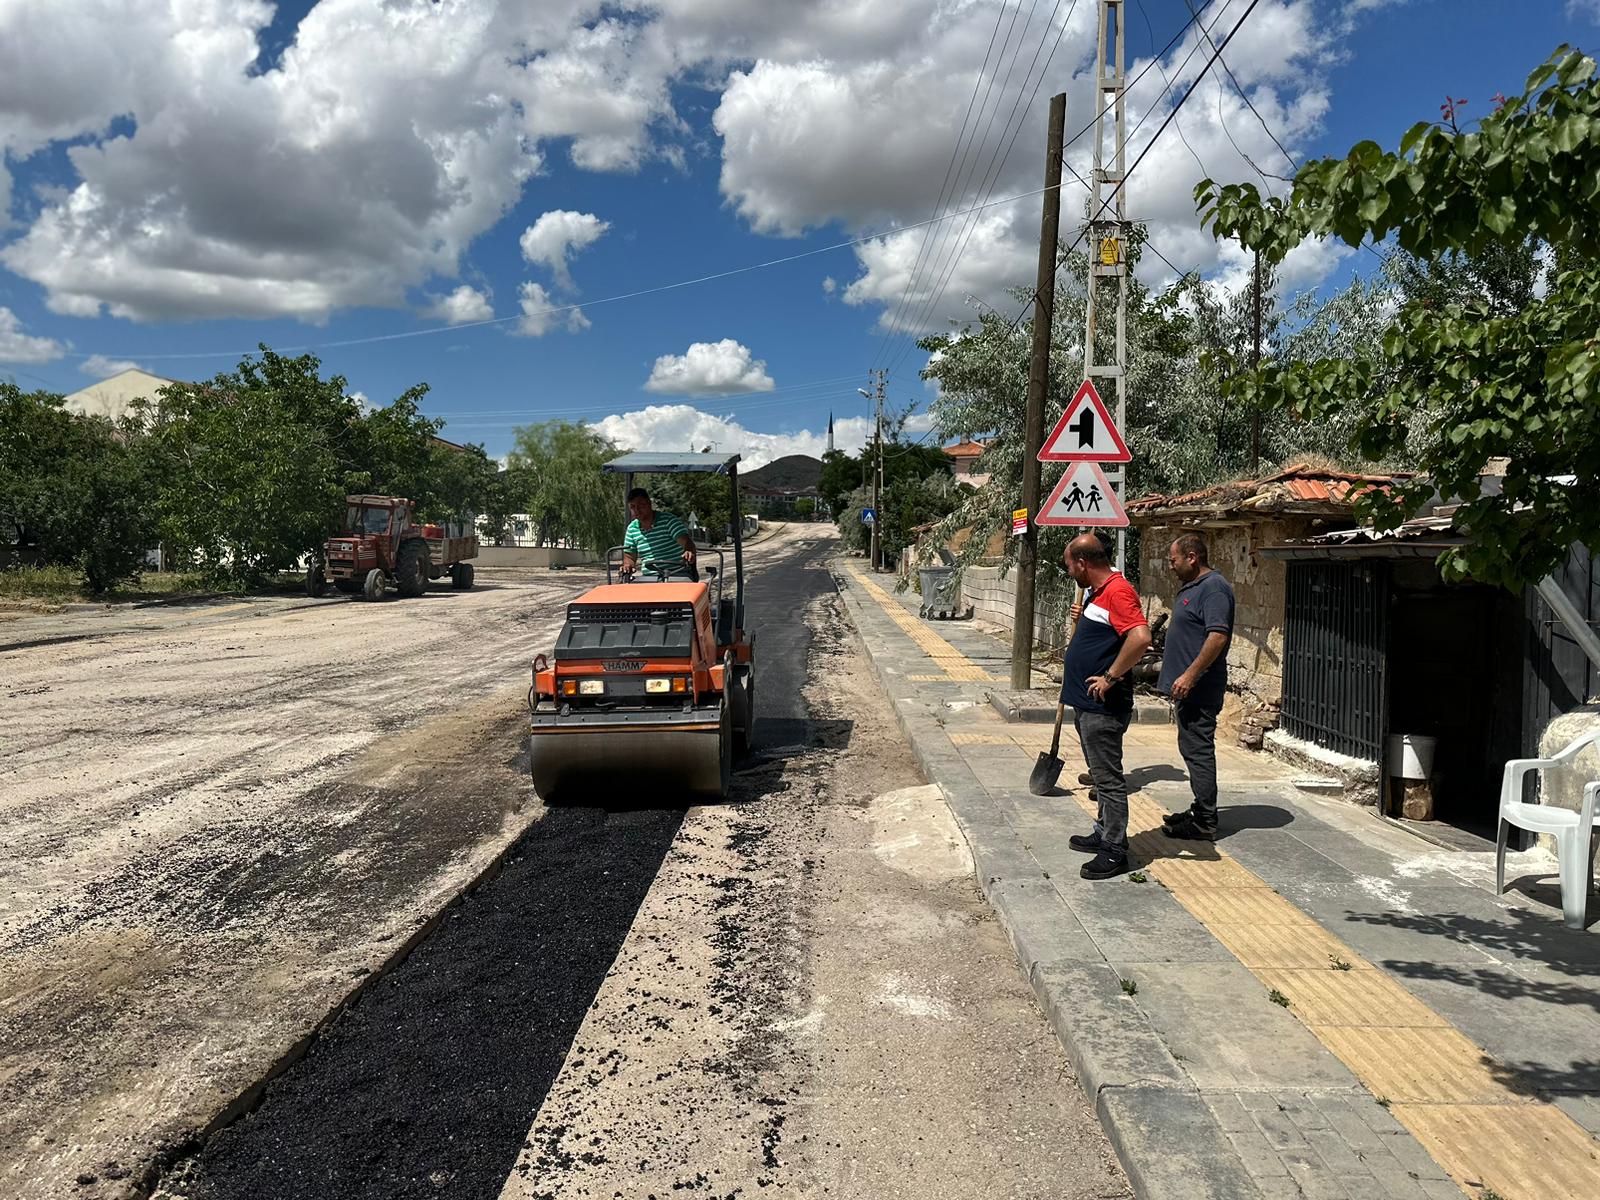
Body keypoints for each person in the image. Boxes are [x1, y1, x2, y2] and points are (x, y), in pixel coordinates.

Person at [1061, 533, 1152, 879]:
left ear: (1083, 563)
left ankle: (1115, 848)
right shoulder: (1098, 593)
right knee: (1100, 777)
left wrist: (1110, 678)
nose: (1070, 573)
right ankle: (1103, 832)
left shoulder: (1118, 590)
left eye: (1070, 566)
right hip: (1086, 705)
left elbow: (1141, 637)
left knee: (1109, 781)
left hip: (1104, 707)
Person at [1158, 533, 1235, 840]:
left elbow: (1217, 636)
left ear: (1192, 557)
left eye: (1173, 559)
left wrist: (1189, 676)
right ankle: (1200, 808)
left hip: (1200, 689)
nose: (1170, 566)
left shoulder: (1214, 589)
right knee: (1191, 748)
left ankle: (1204, 820)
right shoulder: (1195, 587)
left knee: (1198, 750)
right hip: (1188, 689)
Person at [621, 488, 697, 581]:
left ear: (649, 503)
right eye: (633, 507)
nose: (637, 510)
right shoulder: (632, 529)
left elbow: (686, 542)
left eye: (641, 505)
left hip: (677, 573)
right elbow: (629, 556)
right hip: (649, 577)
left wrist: (688, 551)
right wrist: (627, 565)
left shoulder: (669, 521)